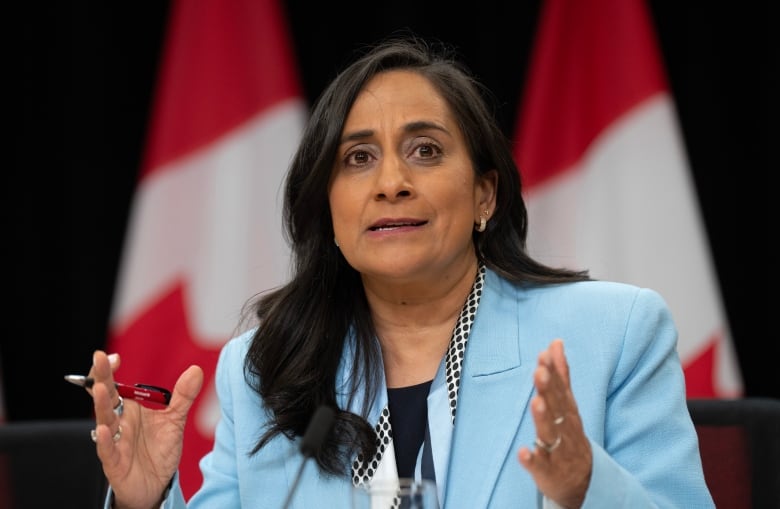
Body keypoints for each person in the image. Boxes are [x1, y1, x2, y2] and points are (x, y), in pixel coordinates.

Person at [85, 35, 714, 508]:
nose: (391, 183)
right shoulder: (270, 369)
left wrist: (586, 488)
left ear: (485, 196)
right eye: (358, 158)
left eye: (426, 151)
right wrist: (146, 502)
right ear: (327, 207)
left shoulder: (613, 333)